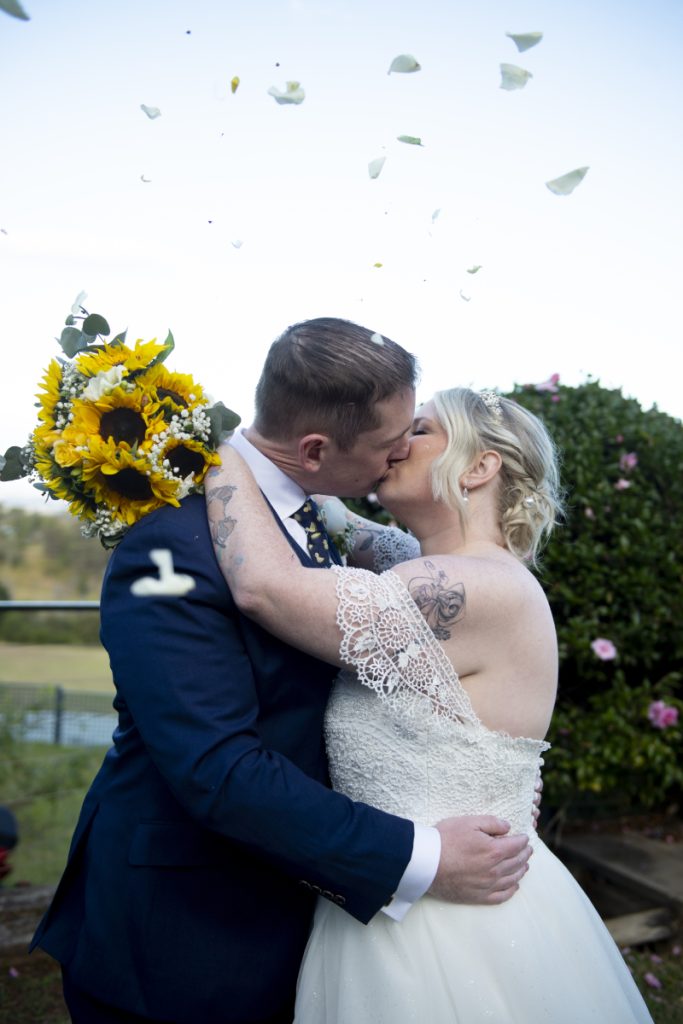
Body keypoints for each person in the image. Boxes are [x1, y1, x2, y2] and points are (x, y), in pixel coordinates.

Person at [30, 320, 534, 1024]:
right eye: (392, 438)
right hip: (184, 930)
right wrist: (414, 857)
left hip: (304, 909)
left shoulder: (331, 532)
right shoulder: (168, 548)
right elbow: (213, 764)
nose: (399, 450)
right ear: (316, 449)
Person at [205, 385, 654, 1023]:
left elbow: (265, 588)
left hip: (442, 931)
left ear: (478, 467)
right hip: (396, 899)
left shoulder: (471, 588)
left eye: (419, 430)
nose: (396, 443)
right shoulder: (435, 566)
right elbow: (325, 512)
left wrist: (210, 446)